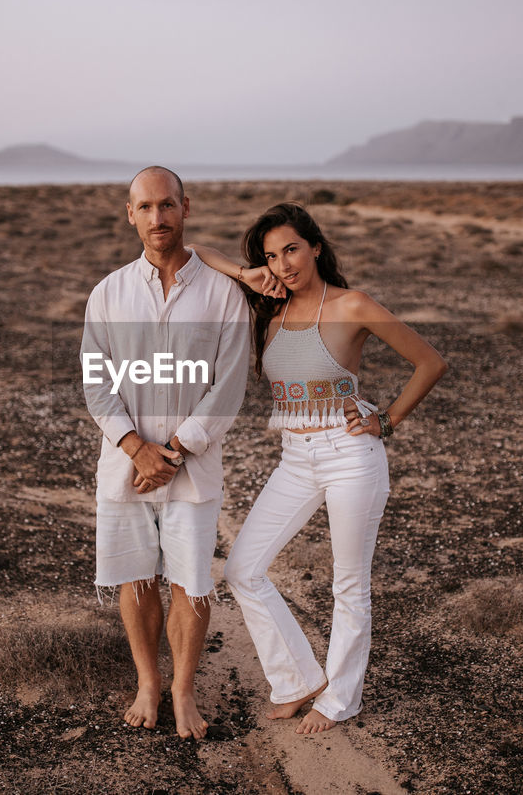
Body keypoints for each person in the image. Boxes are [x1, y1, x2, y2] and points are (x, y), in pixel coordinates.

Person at [190, 202, 446, 734]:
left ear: (315, 248)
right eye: (271, 255)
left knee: (349, 584)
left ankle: (342, 698)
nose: (283, 264)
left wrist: (388, 420)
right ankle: (298, 681)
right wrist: (247, 274)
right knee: (242, 570)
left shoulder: (353, 306)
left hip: (351, 455)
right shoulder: (269, 309)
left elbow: (430, 362)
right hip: (295, 457)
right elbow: (197, 252)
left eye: (291, 249)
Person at [80, 166, 250, 739]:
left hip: (192, 470)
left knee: (190, 581)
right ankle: (148, 682)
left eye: (168, 205)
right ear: (130, 214)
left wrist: (171, 453)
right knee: (135, 577)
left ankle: (183, 690)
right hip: (126, 468)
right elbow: (96, 382)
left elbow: (228, 386)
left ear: (185, 208)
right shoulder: (108, 293)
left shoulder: (224, 293)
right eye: (146, 207)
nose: (158, 217)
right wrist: (135, 449)